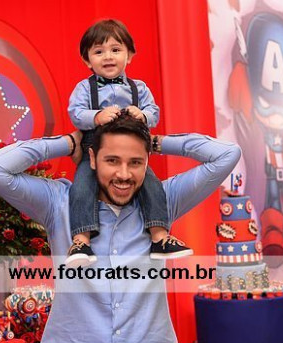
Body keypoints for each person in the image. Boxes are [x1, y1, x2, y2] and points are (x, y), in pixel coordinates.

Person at [0, 113, 241, 343]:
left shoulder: (164, 201)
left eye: (135, 162)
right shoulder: (57, 203)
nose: (124, 174)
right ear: (92, 158)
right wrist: (68, 143)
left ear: (147, 162)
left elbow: (227, 155)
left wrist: (155, 142)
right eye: (112, 160)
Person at [67, 19, 192, 266]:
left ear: (130, 55)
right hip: (96, 148)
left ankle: (160, 236)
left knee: (152, 185)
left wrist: (142, 115)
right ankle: (81, 240)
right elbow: (75, 113)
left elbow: (154, 113)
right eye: (99, 52)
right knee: (81, 187)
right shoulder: (84, 88)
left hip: (132, 150)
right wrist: (96, 117)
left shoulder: (139, 88)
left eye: (115, 49)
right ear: (87, 60)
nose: (108, 57)